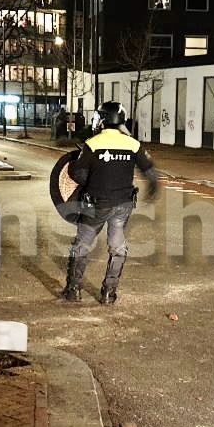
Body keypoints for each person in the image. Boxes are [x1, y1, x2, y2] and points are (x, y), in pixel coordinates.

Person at [62, 100, 159, 304]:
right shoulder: (133, 144)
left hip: (96, 204)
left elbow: (78, 173)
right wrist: (152, 191)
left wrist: (94, 178)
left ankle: (74, 290)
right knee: (118, 247)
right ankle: (109, 293)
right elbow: (150, 172)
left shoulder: (93, 143)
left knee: (82, 245)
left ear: (104, 119)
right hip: (123, 205)